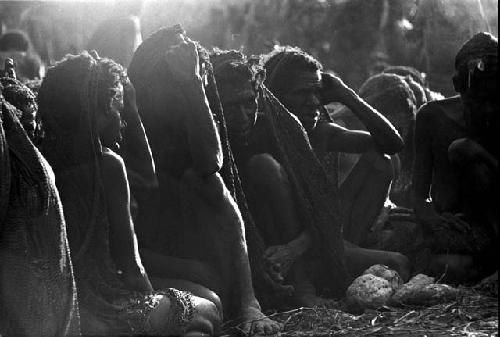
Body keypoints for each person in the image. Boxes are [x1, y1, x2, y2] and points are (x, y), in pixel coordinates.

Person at [39, 51, 221, 336]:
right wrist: (150, 309)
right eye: (120, 110)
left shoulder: (40, 157)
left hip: (57, 311)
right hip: (103, 307)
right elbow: (132, 267)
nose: (123, 122)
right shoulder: (107, 164)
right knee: (211, 306)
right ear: (102, 109)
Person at [128, 27, 281, 335]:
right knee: (206, 299)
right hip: (142, 266)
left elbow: (211, 167)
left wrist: (193, 84)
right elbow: (124, 251)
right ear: (149, 85)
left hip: (188, 261)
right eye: (172, 82)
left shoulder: (191, 114)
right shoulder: (123, 127)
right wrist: (187, 270)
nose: (180, 92)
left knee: (206, 183)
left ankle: (246, 302)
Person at [412, 32, 498, 283]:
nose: (488, 108)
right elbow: (418, 196)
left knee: (465, 153)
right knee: (451, 267)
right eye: (479, 100)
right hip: (460, 228)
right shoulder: (431, 117)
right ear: (457, 85)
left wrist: (478, 152)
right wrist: (434, 220)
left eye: (494, 99)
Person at [0, 70, 79, 336]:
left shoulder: (36, 170)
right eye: (28, 126)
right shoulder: (28, 176)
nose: (33, 136)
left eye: (34, 126)